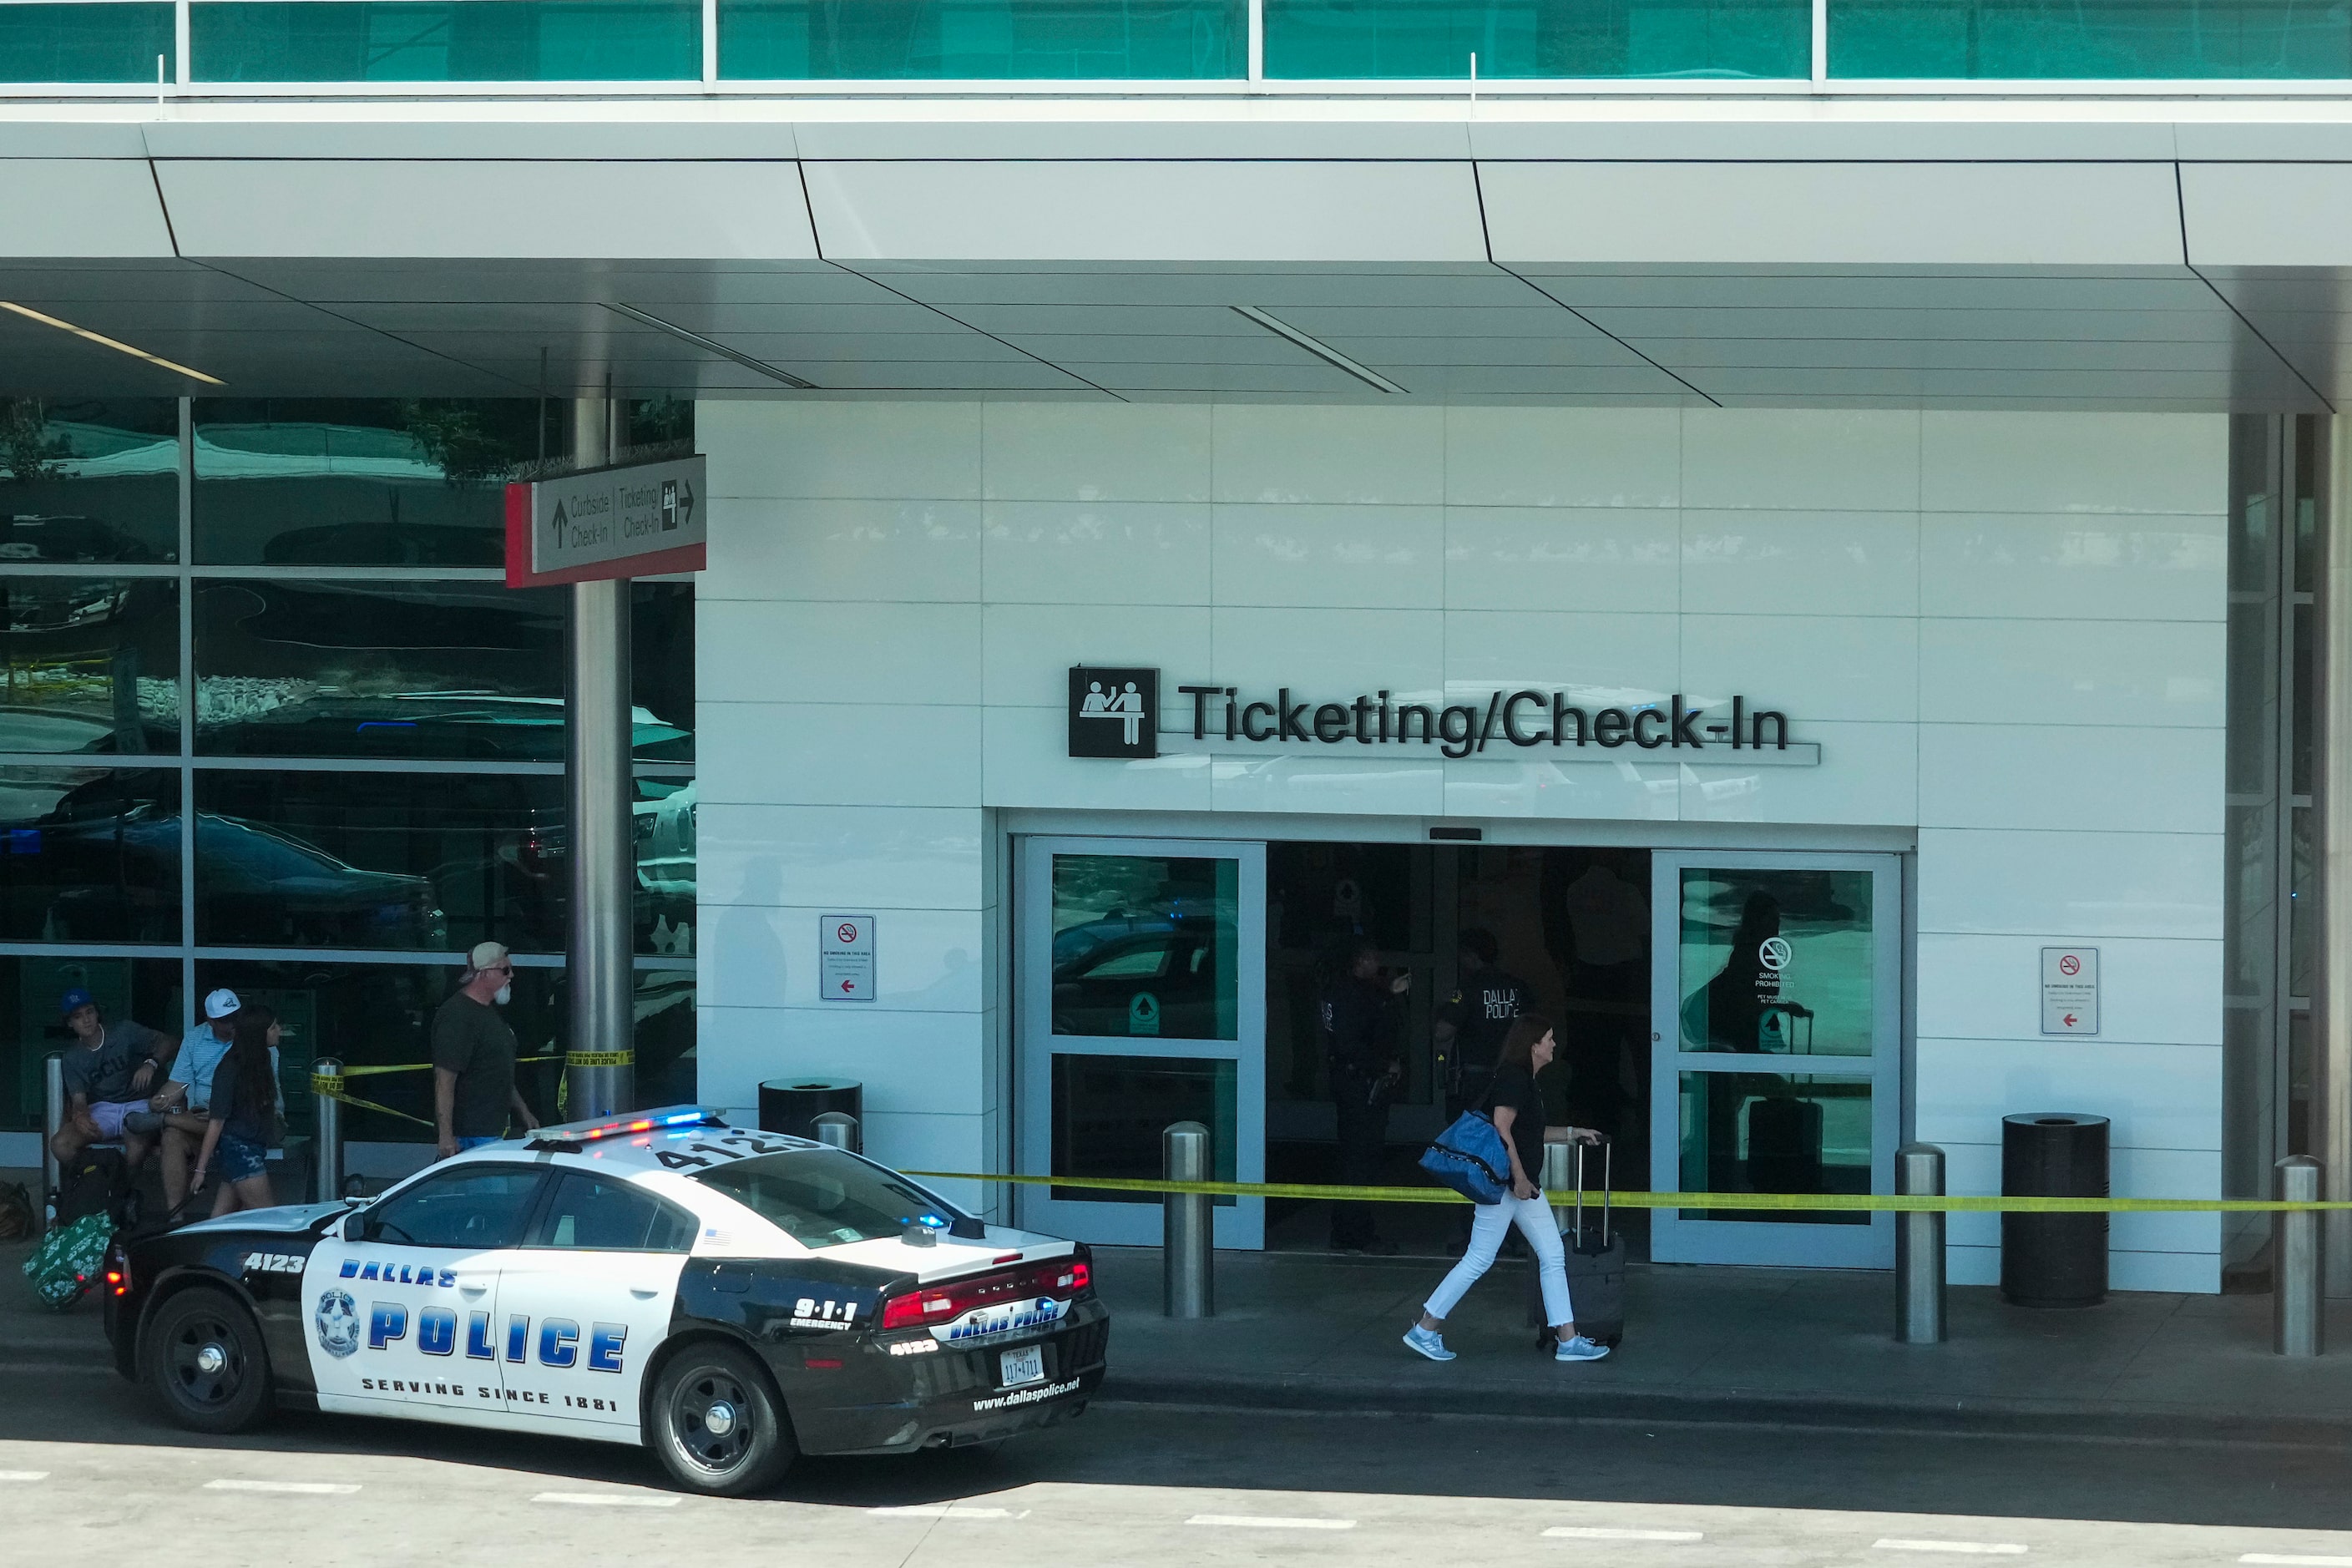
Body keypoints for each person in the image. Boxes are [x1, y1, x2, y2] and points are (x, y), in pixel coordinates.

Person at [1403, 1014, 1611, 1364]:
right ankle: (1425, 1328)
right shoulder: (1515, 1079)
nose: (1553, 1045)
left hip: (1520, 1187)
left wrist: (1574, 1132)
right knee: (1480, 1259)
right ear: (1533, 1045)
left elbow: (1529, 1133)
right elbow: (1502, 1128)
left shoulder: (1525, 1080)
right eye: (1549, 1039)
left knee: (1551, 1255)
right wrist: (1518, 1177)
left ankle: (1568, 1339)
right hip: (1509, 1186)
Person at [1322, 939, 1408, 1254]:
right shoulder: (1351, 994)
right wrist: (1386, 1064)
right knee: (1361, 1159)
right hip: (1359, 1085)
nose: (1379, 964)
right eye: (1373, 958)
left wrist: (1389, 993)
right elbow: (1352, 1042)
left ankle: (1347, 1230)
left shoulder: (1341, 991)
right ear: (1359, 961)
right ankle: (1355, 1232)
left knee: (1355, 1158)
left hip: (1351, 1082)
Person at [48, 989, 180, 1182]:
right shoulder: (72, 1057)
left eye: (89, 1012)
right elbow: (79, 1100)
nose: (86, 1020)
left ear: (97, 1013)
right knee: (60, 1144)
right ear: (69, 1023)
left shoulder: (124, 1031)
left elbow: (171, 1041)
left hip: (139, 1103)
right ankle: (100, 1182)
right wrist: (80, 1116)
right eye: (78, 1016)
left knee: (135, 1148)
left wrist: (151, 1064)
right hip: (104, 1109)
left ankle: (117, 1194)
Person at [432, 941, 540, 1158]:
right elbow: (444, 1080)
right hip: (471, 1137)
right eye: (505, 970)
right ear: (483, 974)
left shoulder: (488, 1014)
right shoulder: (458, 1016)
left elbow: (497, 1071)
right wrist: (446, 1135)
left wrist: (524, 1112)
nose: (511, 976)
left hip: (492, 1132)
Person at [155, 989, 245, 1211]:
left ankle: (165, 1120)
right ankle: (175, 1216)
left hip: (238, 1119)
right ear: (211, 1021)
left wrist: (221, 1111)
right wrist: (161, 1099)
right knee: (172, 1138)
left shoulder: (252, 1037)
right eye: (225, 1020)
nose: (233, 1024)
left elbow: (261, 1093)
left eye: (236, 1016)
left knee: (217, 1125)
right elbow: (178, 1083)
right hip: (203, 1120)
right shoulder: (195, 1038)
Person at [189, 1004, 282, 1216]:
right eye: (274, 1027)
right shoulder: (229, 1068)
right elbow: (216, 1122)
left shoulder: (262, 1059)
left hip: (250, 1148)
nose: (279, 1031)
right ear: (259, 1033)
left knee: (219, 1220)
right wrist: (200, 1171)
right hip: (240, 1152)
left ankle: (207, 1247)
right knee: (269, 1220)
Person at [1435, 928, 1531, 1121]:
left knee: (1468, 1137)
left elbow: (1442, 1031)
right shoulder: (1518, 987)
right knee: (1505, 1134)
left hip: (1474, 1079)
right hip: (1510, 1076)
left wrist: (1438, 1010)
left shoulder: (1469, 987)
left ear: (1471, 956)